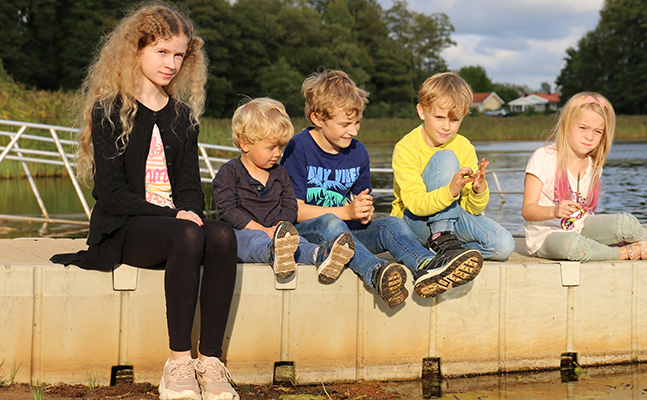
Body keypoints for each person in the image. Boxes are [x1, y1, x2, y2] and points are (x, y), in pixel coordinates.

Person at [49, 5, 239, 400]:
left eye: (179, 55)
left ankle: (211, 362)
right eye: (162, 52)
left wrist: (188, 210)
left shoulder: (183, 117)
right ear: (136, 50)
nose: (171, 64)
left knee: (222, 236)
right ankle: (178, 363)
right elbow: (112, 195)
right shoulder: (110, 110)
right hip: (125, 228)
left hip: (174, 224)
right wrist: (176, 215)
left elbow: (190, 188)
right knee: (187, 234)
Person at [281, 69, 482, 309]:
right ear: (317, 118)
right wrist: (345, 212)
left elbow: (362, 212)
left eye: (357, 122)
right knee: (331, 223)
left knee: (393, 224)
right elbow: (294, 211)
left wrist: (364, 212)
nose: (354, 131)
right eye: (345, 124)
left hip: (349, 234)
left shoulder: (358, 152)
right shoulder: (299, 147)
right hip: (312, 232)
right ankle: (376, 272)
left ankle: (427, 267)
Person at [521, 91, 647, 261]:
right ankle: (623, 253)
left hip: (582, 228)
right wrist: (555, 210)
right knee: (572, 245)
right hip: (547, 238)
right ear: (566, 125)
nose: (589, 136)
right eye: (582, 128)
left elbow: (585, 216)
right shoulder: (544, 157)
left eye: (598, 132)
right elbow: (528, 210)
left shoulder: (593, 164)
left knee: (627, 222)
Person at [212, 97, 355, 282]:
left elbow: (289, 205)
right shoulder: (229, 172)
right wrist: (263, 230)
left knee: (298, 242)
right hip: (243, 233)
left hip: (279, 234)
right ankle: (274, 254)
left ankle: (320, 255)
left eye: (280, 147)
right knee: (251, 240)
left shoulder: (280, 173)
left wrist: (282, 226)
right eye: (271, 147)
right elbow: (228, 210)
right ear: (245, 143)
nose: (278, 153)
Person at [391, 72, 515, 262]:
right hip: (414, 224)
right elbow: (415, 204)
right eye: (439, 117)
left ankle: (446, 252)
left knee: (504, 245)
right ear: (422, 111)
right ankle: (439, 239)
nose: (446, 127)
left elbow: (470, 209)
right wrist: (451, 190)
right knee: (446, 158)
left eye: (454, 119)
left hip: (452, 220)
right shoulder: (406, 148)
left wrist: (478, 190)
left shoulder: (464, 146)